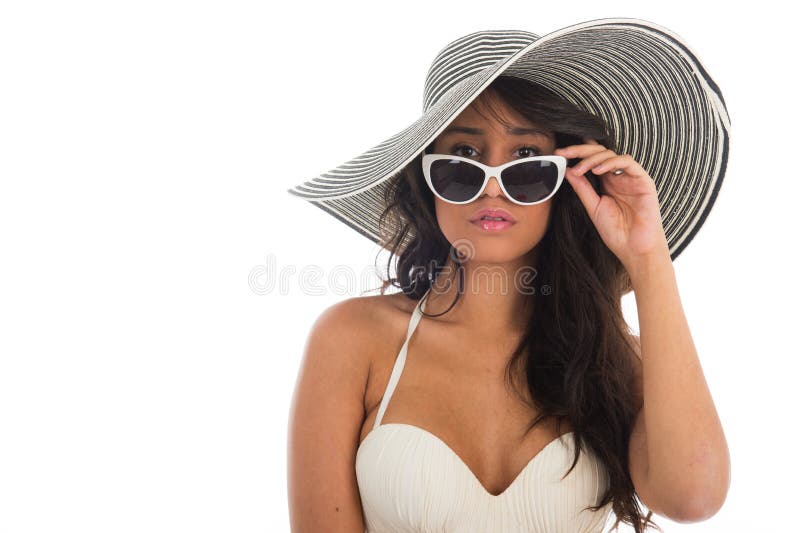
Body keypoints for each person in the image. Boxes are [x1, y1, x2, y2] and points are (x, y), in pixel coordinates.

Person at [287, 20, 730, 533]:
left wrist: (649, 260)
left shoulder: (612, 357)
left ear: (566, 179)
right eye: (464, 158)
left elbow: (693, 498)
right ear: (425, 180)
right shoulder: (352, 340)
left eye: (525, 159)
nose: (492, 188)